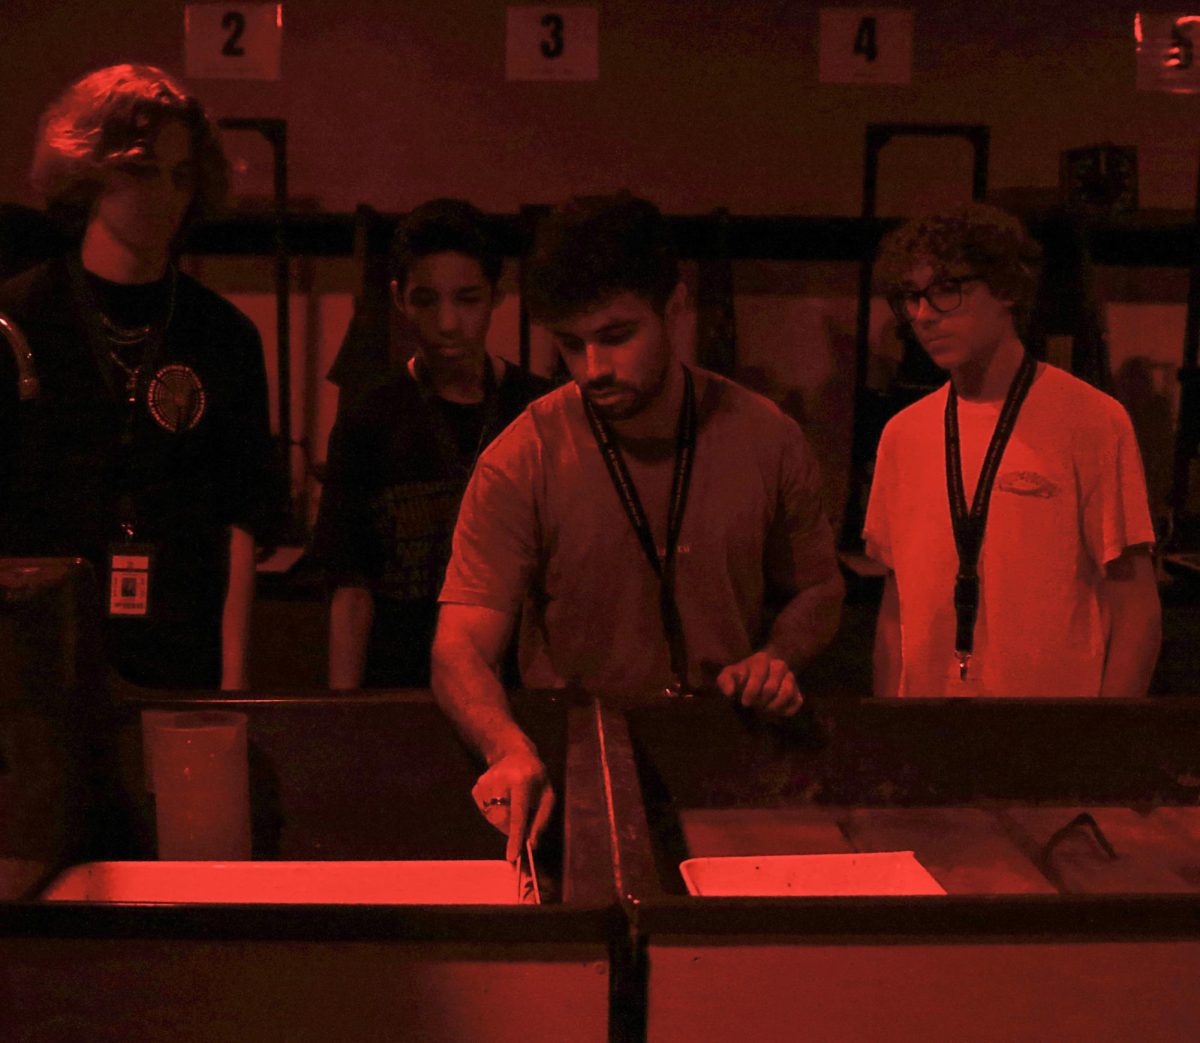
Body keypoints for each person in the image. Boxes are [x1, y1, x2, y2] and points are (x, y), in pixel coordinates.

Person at [431, 192, 844, 858]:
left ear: (674, 310)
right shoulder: (522, 456)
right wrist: (505, 744)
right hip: (573, 758)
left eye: (617, 336)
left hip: (727, 754)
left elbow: (819, 589)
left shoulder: (767, 437)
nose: (593, 367)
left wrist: (776, 658)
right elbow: (458, 647)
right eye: (571, 344)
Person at [0, 64, 275, 690]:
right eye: (140, 169)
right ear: (90, 171)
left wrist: (233, 686)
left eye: (180, 175)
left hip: (179, 655)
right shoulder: (17, 321)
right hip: (38, 665)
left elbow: (240, 521)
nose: (164, 195)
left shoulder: (222, 335)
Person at [864, 203, 1161, 698]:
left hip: (1048, 737)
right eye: (911, 297)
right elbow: (896, 607)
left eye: (945, 291)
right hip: (928, 729)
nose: (922, 316)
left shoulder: (1089, 420)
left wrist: (1107, 744)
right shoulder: (904, 433)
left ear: (1005, 288)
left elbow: (1135, 606)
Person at [311, 199, 552, 689]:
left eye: (466, 299)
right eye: (427, 300)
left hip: (515, 691)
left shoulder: (537, 412)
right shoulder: (370, 419)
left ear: (495, 297)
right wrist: (343, 713)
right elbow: (351, 590)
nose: (447, 323)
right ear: (400, 299)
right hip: (400, 687)